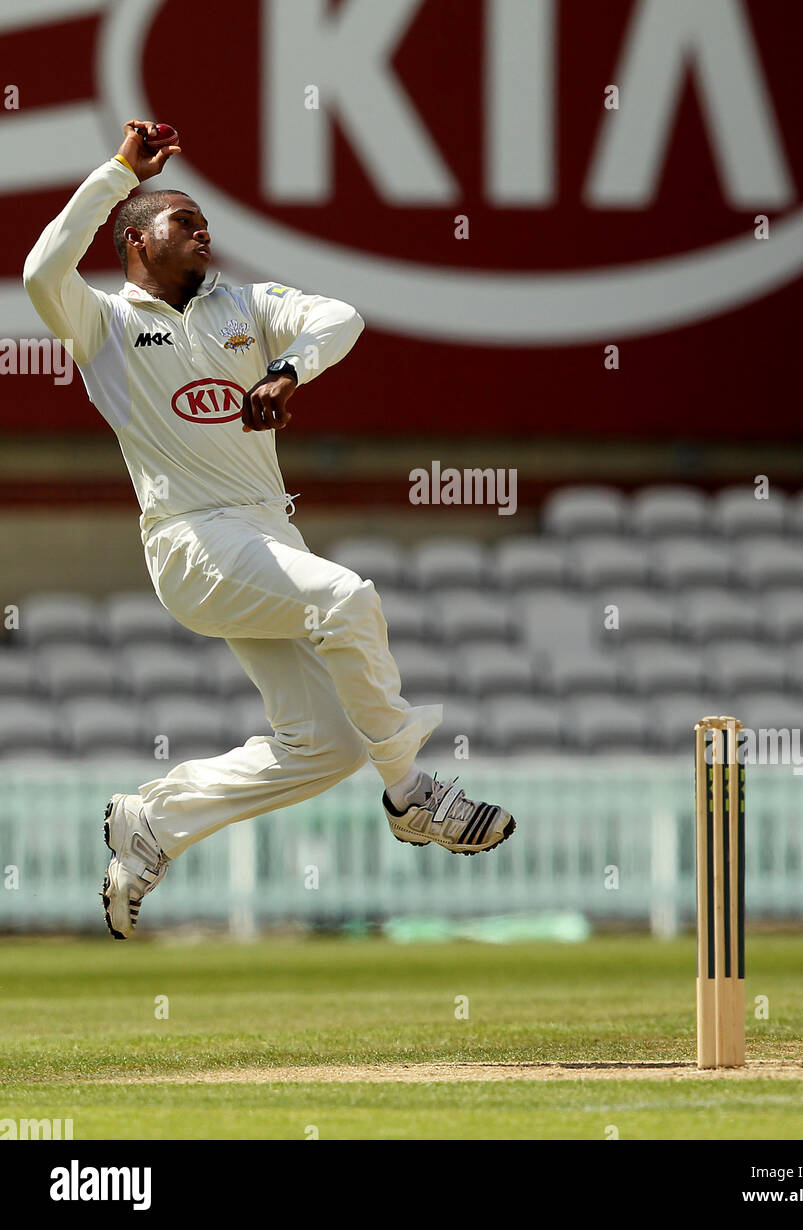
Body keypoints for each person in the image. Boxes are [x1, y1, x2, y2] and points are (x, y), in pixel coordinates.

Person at [23, 119, 515, 940]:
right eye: (184, 222)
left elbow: (342, 316)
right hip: (189, 541)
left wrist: (288, 370)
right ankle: (413, 794)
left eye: (205, 222)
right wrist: (117, 173)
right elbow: (43, 268)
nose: (203, 231)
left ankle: (155, 824)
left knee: (325, 744)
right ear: (137, 241)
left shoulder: (242, 308)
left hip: (263, 540)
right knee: (350, 597)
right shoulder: (101, 326)